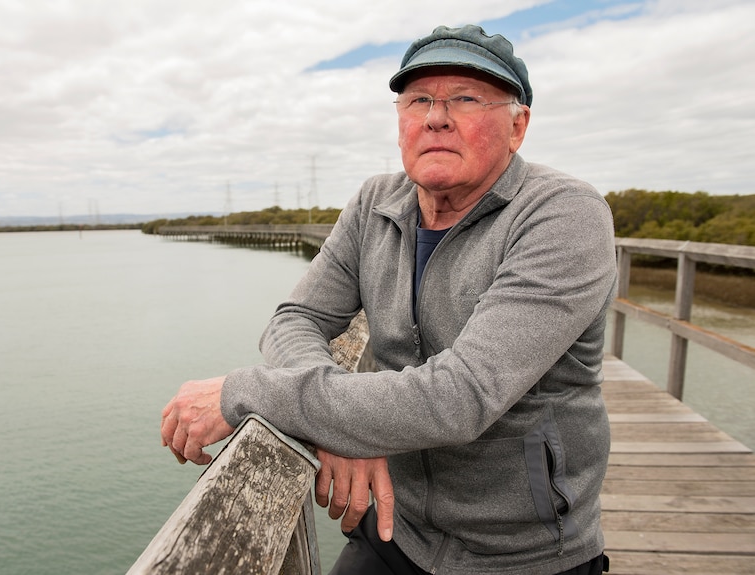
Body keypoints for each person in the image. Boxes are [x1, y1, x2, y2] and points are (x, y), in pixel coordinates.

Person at [161, 24, 615, 575]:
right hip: (396, 527)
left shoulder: (563, 214)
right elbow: (296, 318)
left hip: (527, 553)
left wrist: (243, 392)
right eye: (418, 99)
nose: (435, 117)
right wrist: (340, 422)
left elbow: (459, 398)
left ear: (517, 126)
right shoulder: (376, 201)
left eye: (465, 98)